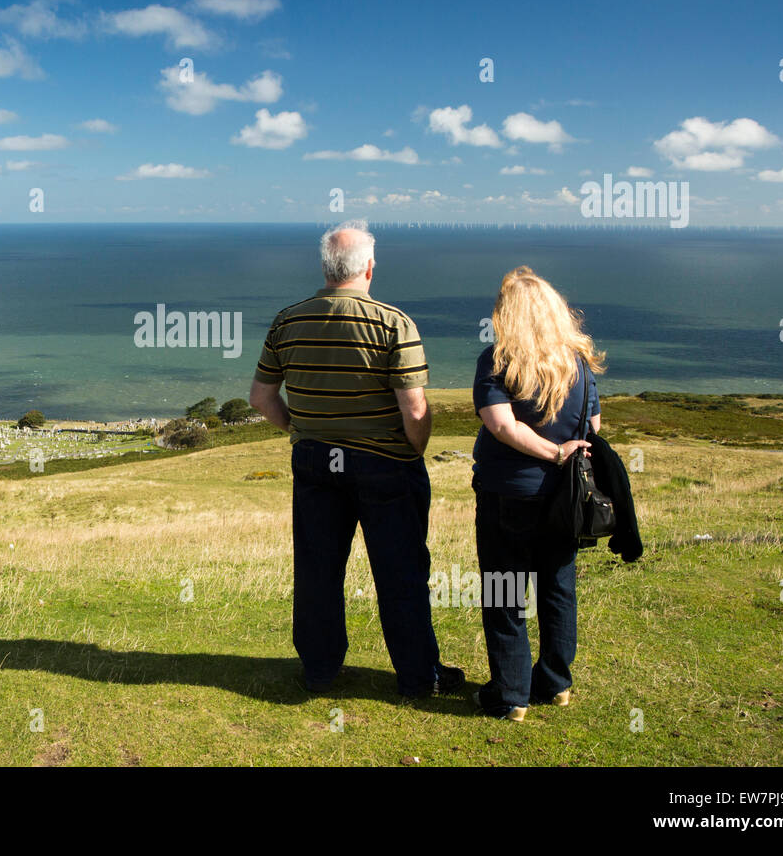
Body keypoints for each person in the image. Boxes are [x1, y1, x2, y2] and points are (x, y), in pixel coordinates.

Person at [249, 220, 464, 698]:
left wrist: (301, 431)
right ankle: (418, 676)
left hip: (314, 463)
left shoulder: (288, 320)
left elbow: (261, 397)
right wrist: (413, 450)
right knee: (402, 572)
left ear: (326, 268)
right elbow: (415, 407)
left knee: (317, 571)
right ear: (368, 267)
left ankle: (320, 671)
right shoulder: (392, 322)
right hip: (385, 464)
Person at [470, 266, 605, 721]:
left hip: (508, 494)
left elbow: (502, 426)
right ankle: (555, 684)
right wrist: (565, 449)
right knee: (557, 587)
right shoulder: (580, 365)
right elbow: (594, 427)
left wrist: (552, 452)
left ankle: (511, 695)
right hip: (563, 499)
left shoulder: (495, 361)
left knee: (504, 592)